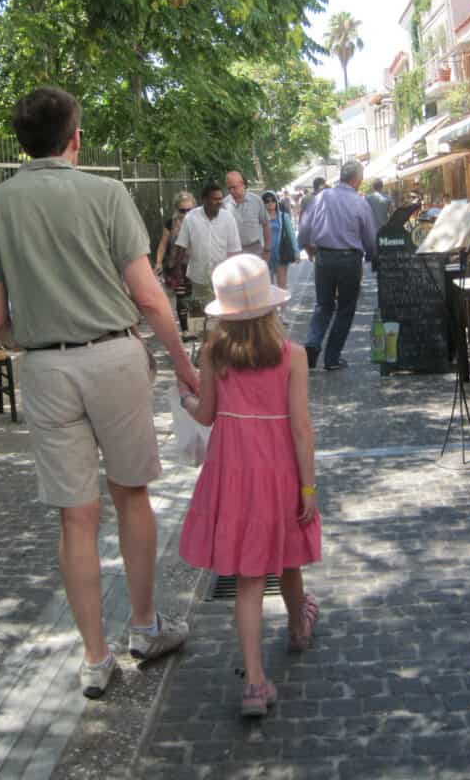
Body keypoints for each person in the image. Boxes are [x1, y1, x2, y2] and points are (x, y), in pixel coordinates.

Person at [0, 85, 198, 700]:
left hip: (46, 368)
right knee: (132, 497)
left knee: (75, 517)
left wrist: (35, 341)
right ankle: (145, 628)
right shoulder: (106, 193)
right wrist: (183, 363)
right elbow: (149, 296)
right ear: (75, 139)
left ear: (22, 142)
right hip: (114, 356)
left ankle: (95, 658)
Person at [177, 254, 321, 718]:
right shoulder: (292, 355)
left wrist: (184, 397)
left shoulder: (214, 353)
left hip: (232, 471)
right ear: (270, 308)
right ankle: (299, 627)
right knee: (290, 554)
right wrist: (309, 489)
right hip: (279, 468)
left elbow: (205, 415)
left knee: (248, 576)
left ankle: (255, 681)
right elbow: (301, 427)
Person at [297, 160, 377, 372]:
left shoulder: (322, 196)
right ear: (357, 180)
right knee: (345, 308)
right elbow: (369, 236)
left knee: (323, 305)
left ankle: (313, 344)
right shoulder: (360, 202)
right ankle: (332, 358)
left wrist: (306, 246)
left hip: (324, 257)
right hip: (350, 260)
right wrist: (371, 255)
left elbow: (304, 226)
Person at [173, 180, 241, 305]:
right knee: (201, 317)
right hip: (198, 277)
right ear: (204, 200)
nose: (219, 202)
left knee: (223, 314)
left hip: (222, 278)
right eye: (214, 199)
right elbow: (181, 245)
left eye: (220, 199)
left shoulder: (228, 218)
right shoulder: (191, 218)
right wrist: (177, 271)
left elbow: (234, 250)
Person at [154, 191, 197, 334]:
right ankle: (185, 330)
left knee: (196, 296)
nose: (186, 214)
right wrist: (159, 262)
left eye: (189, 210)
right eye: (182, 210)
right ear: (176, 209)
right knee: (181, 297)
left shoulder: (200, 221)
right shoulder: (170, 223)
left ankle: (196, 328)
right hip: (177, 266)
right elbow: (163, 244)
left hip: (196, 264)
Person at [223, 170, 271, 260]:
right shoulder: (224, 204)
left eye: (234, 187)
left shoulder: (257, 201)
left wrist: (267, 249)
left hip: (255, 250)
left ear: (243, 185)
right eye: (229, 188)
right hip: (233, 251)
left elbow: (266, 224)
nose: (231, 191)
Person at [261, 189, 299, 294]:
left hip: (281, 253)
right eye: (267, 201)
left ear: (276, 202)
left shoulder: (283, 216)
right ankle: (273, 310)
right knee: (268, 285)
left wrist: (296, 251)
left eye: (272, 200)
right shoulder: (261, 218)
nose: (270, 203)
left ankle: (283, 309)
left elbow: (291, 234)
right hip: (266, 254)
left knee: (282, 284)